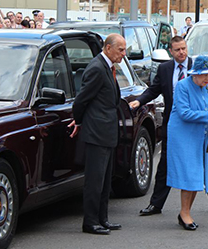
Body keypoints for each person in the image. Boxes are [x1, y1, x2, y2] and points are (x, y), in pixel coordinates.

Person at [129, 36, 208, 217]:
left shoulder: (201, 67)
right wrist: (139, 101)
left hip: (199, 127)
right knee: (165, 164)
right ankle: (156, 204)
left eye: (184, 48)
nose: (182, 52)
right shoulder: (165, 69)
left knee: (206, 163)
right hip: (175, 125)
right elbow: (153, 89)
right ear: (171, 52)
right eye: (177, 50)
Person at [68, 33, 126, 235]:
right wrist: (80, 120)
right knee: (94, 180)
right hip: (97, 133)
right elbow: (81, 100)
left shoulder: (108, 68)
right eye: (120, 49)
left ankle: (103, 218)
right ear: (108, 48)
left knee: (105, 179)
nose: (123, 54)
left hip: (107, 132)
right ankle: (90, 221)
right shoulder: (96, 68)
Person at [167, 55, 208, 230]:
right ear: (195, 74)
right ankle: (184, 213)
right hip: (183, 136)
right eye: (204, 75)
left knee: (198, 175)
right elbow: (184, 113)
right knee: (189, 175)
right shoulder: (183, 86)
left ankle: (186, 212)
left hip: (201, 134)